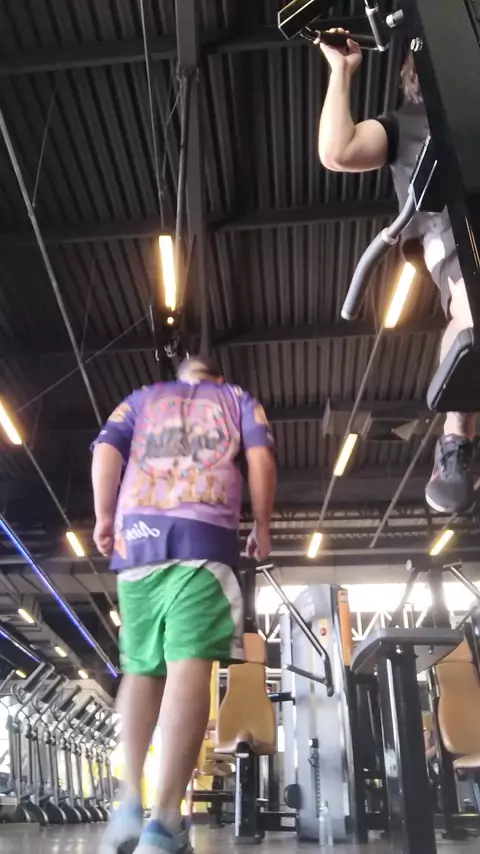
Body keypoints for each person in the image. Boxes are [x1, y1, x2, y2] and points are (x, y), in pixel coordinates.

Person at [92, 355, 277, 854]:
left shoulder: (141, 400)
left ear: (179, 376)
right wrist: (262, 525)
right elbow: (260, 457)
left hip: (137, 541)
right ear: (218, 376)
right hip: (202, 536)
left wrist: (104, 516)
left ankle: (129, 803)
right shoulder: (236, 398)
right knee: (188, 664)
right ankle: (165, 822)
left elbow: (106, 449)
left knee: (141, 668)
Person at [318, 31, 475, 515]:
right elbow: (338, 151)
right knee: (475, 306)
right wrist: (341, 72)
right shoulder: (405, 125)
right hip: (455, 239)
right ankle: (457, 437)